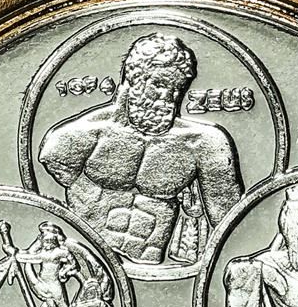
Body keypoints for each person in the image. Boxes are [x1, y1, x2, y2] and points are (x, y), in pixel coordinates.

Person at [38, 33, 243, 266]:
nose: (169, 96)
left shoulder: (203, 144)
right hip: (90, 263)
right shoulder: (75, 138)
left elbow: (230, 224)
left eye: (177, 88)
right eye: (159, 84)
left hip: (153, 268)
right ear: (133, 78)